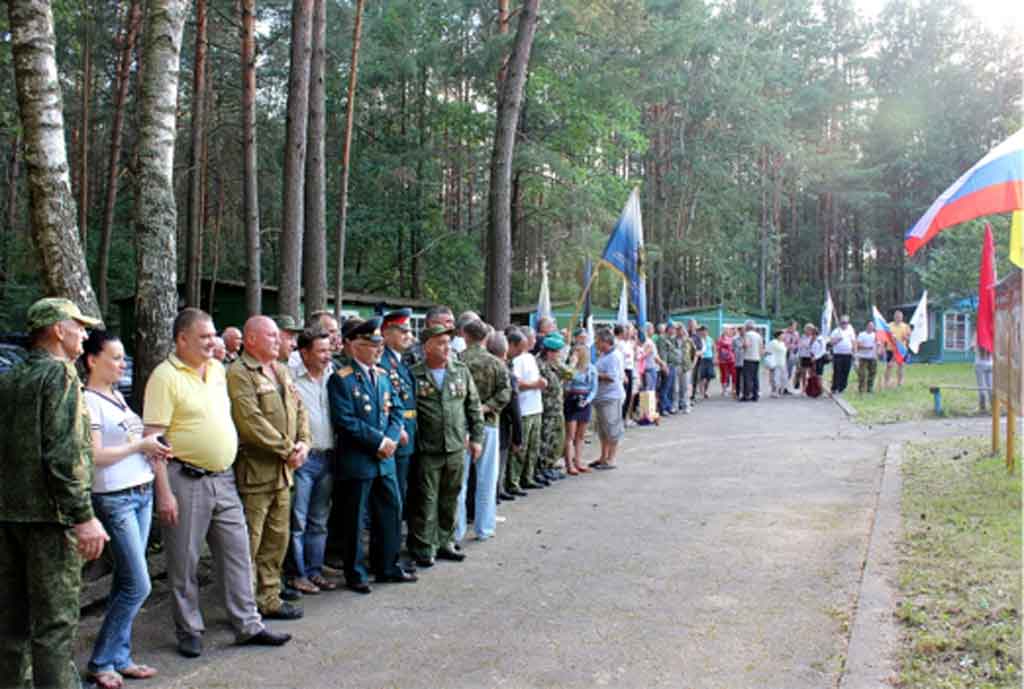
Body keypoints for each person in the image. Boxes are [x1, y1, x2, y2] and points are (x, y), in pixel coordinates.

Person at [144, 308, 290, 658]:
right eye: (204, 337)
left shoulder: (218, 372)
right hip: (185, 477)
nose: (213, 342)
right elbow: (154, 438)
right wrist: (163, 492)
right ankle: (189, 629)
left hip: (223, 477)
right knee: (185, 559)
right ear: (182, 339)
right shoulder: (165, 377)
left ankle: (248, 624)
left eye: (214, 336)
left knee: (238, 553)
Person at [0, 298, 107, 689]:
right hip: (50, 519)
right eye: (78, 326)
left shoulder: (9, 377)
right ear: (58, 330)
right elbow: (64, 455)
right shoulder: (60, 377)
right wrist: (83, 515)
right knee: (55, 627)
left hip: (9, 516)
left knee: (11, 624)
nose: (84, 334)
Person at [82, 331, 170, 688]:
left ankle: (120, 655)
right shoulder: (88, 401)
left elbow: (133, 443)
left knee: (126, 581)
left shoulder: (117, 396)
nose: (122, 364)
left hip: (141, 491)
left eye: (123, 358)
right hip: (115, 497)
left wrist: (152, 449)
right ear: (92, 360)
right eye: (115, 358)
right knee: (138, 583)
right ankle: (102, 659)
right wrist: (140, 446)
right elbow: (96, 455)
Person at [228, 316, 310, 620]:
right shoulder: (239, 373)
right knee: (250, 542)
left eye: (279, 337)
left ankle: (269, 597)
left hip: (283, 473)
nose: (279, 341)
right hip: (256, 473)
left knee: (277, 540)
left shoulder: (281, 370)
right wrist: (288, 449)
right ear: (251, 340)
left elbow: (299, 409)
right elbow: (250, 423)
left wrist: (303, 443)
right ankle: (245, 606)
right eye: (272, 336)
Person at [328, 317, 416, 593]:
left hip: (385, 459)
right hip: (359, 459)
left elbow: (397, 410)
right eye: (370, 344)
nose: (378, 349)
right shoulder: (341, 380)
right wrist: (379, 441)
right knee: (354, 519)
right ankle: (355, 573)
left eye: (379, 344)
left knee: (390, 512)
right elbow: (345, 420)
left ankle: (387, 565)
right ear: (354, 347)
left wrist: (390, 439)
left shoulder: (382, 376)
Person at [406, 325, 484, 567]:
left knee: (450, 497)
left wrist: (477, 438)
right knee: (426, 500)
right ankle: (423, 546)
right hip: (427, 449)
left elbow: (473, 406)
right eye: (440, 342)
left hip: (455, 447)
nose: (446, 347)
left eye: (448, 342)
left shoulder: (460, 371)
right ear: (426, 346)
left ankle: (445, 541)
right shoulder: (414, 373)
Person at [287, 327, 338, 595]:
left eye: (328, 350)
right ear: (304, 353)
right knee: (298, 520)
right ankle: (298, 574)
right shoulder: (291, 380)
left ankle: (314, 570)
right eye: (320, 351)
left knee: (319, 520)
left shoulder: (334, 378)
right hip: (304, 460)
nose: (326, 356)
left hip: (328, 457)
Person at [457, 319, 511, 541]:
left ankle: (457, 530)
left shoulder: (457, 361)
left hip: (461, 426)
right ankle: (484, 528)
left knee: (460, 482)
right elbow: (506, 393)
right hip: (489, 424)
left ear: (464, 335)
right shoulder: (497, 363)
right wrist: (486, 407)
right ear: (486, 337)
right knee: (487, 479)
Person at [378, 308, 418, 513]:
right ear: (385, 332)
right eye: (402, 331)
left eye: (409, 331)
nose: (408, 336)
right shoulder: (383, 362)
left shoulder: (400, 361)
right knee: (393, 495)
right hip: (396, 435)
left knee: (404, 491)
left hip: (409, 434)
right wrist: (399, 427)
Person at [507, 327, 546, 493]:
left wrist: (541, 382)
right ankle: (513, 482)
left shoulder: (530, 357)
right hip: (523, 409)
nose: (535, 341)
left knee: (532, 448)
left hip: (535, 407)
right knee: (519, 450)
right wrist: (535, 385)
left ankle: (528, 477)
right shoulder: (517, 360)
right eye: (532, 339)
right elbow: (516, 383)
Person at [497, 329, 525, 501]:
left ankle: (499, 490)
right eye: (519, 349)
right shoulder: (506, 371)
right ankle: (495, 493)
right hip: (500, 423)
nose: (520, 353)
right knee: (498, 462)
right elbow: (514, 408)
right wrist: (518, 437)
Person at [590, 329, 624, 470]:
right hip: (602, 397)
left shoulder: (613, 357)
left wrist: (593, 373)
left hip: (611, 397)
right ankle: (603, 456)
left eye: (597, 341)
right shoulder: (604, 355)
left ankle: (611, 458)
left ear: (605, 342)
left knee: (612, 429)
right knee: (603, 430)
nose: (595, 343)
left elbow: (611, 377)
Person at [537, 333, 568, 482]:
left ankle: (549, 466)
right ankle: (542, 468)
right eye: (557, 352)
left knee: (554, 440)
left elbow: (570, 374)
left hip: (555, 407)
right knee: (545, 440)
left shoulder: (554, 364)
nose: (559, 354)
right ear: (549, 352)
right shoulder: (540, 365)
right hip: (547, 408)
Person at [563, 343, 597, 475]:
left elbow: (594, 389)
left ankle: (578, 461)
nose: (575, 354)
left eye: (578, 352)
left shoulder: (591, 369)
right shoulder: (571, 368)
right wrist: (572, 365)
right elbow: (566, 383)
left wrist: (587, 400)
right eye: (574, 351)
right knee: (570, 435)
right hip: (572, 399)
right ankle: (569, 464)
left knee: (580, 435)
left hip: (584, 400)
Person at [656, 320, 681, 414]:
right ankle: (663, 407)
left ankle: (669, 406)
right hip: (667, 366)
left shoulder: (672, 339)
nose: (675, 330)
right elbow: (663, 353)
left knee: (670, 387)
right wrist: (664, 366)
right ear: (669, 328)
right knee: (665, 387)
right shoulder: (663, 338)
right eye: (673, 328)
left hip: (673, 365)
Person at [829, 315, 857, 395]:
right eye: (843, 322)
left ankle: (842, 388)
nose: (845, 324)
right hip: (838, 354)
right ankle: (835, 387)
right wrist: (837, 339)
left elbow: (854, 342)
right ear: (840, 323)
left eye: (846, 322)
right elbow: (830, 343)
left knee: (846, 371)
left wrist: (855, 353)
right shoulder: (835, 331)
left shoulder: (850, 330)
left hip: (848, 354)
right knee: (837, 371)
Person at [883, 309, 911, 388]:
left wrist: (906, 337)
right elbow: (884, 337)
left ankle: (900, 382)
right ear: (894, 317)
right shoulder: (889, 326)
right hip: (890, 348)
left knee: (901, 365)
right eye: (897, 316)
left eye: (900, 317)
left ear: (902, 318)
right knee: (889, 365)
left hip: (901, 349)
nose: (898, 318)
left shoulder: (905, 326)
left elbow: (909, 338)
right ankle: (886, 382)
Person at [614, 324, 635, 422]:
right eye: (626, 331)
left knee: (629, 394)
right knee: (624, 394)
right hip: (623, 370)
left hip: (630, 369)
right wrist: (623, 373)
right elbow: (620, 360)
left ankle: (624, 416)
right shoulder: (617, 344)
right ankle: (620, 417)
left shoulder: (628, 343)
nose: (628, 333)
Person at [855, 321, 881, 395]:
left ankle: (870, 389)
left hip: (873, 357)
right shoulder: (862, 334)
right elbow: (858, 345)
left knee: (872, 373)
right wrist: (867, 347)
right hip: (863, 357)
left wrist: (879, 351)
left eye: (872, 326)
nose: (871, 327)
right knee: (862, 374)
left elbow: (879, 344)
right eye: (869, 325)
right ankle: (861, 389)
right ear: (866, 326)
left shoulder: (876, 335)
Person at [741, 321, 763, 402]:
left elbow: (746, 344)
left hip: (748, 358)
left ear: (747, 327)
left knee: (747, 378)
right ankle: (755, 395)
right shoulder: (758, 335)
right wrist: (759, 356)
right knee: (755, 378)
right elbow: (761, 348)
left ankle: (746, 396)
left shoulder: (747, 334)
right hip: (756, 359)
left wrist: (743, 346)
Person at [974, 335, 993, 412]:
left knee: (981, 387)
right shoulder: (991, 334)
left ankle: (982, 407)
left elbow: (972, 346)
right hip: (990, 363)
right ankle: (993, 406)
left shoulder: (978, 334)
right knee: (990, 386)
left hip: (980, 364)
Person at [766, 331, 788, 398]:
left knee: (784, 378)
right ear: (778, 336)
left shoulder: (782, 343)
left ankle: (779, 391)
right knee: (776, 378)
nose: (784, 336)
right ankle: (774, 391)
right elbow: (767, 351)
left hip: (782, 362)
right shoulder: (773, 342)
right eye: (782, 335)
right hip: (775, 363)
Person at [795, 323, 816, 393]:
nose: (809, 331)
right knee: (803, 373)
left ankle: (810, 388)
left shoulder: (814, 337)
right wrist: (798, 357)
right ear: (805, 330)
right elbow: (799, 347)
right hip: (803, 356)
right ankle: (803, 388)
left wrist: (807, 346)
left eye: (810, 330)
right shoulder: (802, 337)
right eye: (808, 329)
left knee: (811, 373)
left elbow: (813, 347)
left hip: (811, 357)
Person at [716, 326, 736, 396]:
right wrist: (717, 358)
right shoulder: (720, 339)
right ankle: (724, 390)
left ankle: (733, 389)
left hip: (732, 360)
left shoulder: (733, 339)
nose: (727, 331)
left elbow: (734, 349)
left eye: (728, 330)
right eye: (726, 330)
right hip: (722, 360)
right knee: (724, 375)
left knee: (734, 374)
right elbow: (718, 349)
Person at [696, 325, 715, 399]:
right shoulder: (699, 339)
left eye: (705, 330)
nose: (704, 332)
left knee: (709, 376)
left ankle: (706, 390)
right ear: (700, 332)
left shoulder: (710, 339)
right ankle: (702, 392)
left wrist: (714, 357)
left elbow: (713, 348)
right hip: (702, 358)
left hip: (709, 358)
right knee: (701, 376)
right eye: (702, 331)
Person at [732, 325, 746, 401]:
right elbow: (732, 349)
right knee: (738, 377)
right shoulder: (735, 339)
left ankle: (745, 392)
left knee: (745, 377)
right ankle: (737, 392)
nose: (742, 331)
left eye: (743, 330)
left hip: (747, 360)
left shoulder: (748, 338)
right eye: (740, 330)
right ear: (739, 331)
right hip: (738, 361)